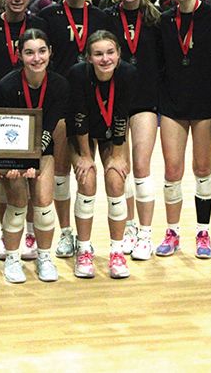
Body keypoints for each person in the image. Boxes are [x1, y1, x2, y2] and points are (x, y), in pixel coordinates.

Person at [39, 0, 120, 259]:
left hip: (100, 102)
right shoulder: (48, 16)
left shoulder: (100, 15)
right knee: (62, 172)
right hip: (63, 102)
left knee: (105, 170)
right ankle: (65, 233)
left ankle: (116, 234)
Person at [157, 0, 211, 259]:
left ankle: (202, 231)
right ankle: (172, 232)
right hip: (173, 105)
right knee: (172, 170)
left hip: (206, 105)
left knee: (202, 168)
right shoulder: (164, 21)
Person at [0, 29, 69, 283]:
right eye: (29, 52)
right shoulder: (7, 85)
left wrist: (34, 159)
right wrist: (19, 161)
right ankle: (13, 257)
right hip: (12, 151)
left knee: (43, 200)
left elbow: (49, 126)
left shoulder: (59, 85)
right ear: (19, 55)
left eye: (41, 51)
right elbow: (4, 127)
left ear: (50, 52)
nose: (36, 58)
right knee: (17, 200)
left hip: (41, 148)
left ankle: (44, 256)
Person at [66, 30, 137, 278]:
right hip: (82, 131)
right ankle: (83, 250)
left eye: (110, 53)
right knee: (87, 180)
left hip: (111, 132)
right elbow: (79, 118)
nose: (105, 59)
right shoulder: (77, 74)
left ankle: (116, 253)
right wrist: (85, 156)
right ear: (88, 57)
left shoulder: (128, 73)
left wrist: (117, 156)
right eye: (98, 54)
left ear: (118, 54)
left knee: (116, 181)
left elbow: (121, 116)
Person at [106, 0, 162, 260]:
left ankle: (145, 233)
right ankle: (127, 227)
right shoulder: (107, 18)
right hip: (114, 100)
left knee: (141, 167)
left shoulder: (157, 18)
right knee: (120, 168)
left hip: (145, 100)